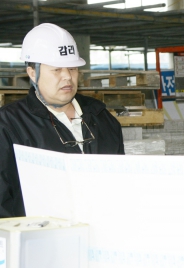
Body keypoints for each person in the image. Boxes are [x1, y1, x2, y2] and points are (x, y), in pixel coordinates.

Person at [0, 23, 124, 218]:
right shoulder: (9, 125)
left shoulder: (102, 118)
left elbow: (120, 186)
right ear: (33, 73)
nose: (67, 76)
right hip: (40, 241)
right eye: (57, 69)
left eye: (72, 68)